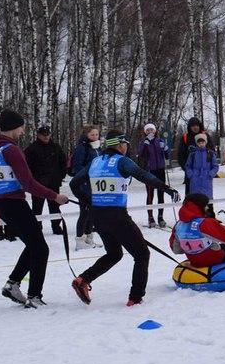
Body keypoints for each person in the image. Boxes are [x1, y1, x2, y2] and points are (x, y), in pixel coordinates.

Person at [70, 131, 180, 307]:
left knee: (114, 254)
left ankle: (83, 279)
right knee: (142, 254)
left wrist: (87, 201)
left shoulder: (95, 161)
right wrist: (166, 188)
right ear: (120, 144)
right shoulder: (122, 161)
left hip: (98, 216)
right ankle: (135, 298)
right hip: (117, 216)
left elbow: (73, 183)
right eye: (126, 144)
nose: (127, 147)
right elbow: (143, 175)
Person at [0, 109, 72, 307]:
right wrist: (55, 196)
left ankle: (12, 284)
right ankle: (34, 296)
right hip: (15, 203)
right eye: (21, 127)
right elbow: (28, 183)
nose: (23, 131)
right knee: (41, 249)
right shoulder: (11, 149)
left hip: (4, 205)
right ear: (14, 127)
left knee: (34, 245)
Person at [25, 125, 66, 235]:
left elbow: (63, 161)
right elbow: (27, 166)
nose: (46, 137)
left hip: (53, 182)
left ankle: (56, 227)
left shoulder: (56, 147)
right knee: (37, 207)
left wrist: (61, 175)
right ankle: (37, 228)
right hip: (38, 183)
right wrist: (32, 180)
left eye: (48, 135)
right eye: (44, 135)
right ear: (38, 135)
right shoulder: (31, 149)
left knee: (55, 206)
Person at [68, 124, 101, 246]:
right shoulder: (82, 147)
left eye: (96, 134)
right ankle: (79, 240)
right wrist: (87, 176)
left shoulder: (98, 147)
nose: (94, 136)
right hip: (84, 184)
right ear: (86, 135)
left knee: (92, 212)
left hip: (95, 185)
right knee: (84, 212)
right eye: (92, 134)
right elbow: (77, 166)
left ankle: (89, 237)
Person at [137, 123, 171, 229]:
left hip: (160, 169)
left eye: (152, 130)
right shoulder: (143, 142)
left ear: (155, 131)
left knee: (161, 194)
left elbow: (167, 155)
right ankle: (150, 217)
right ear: (145, 132)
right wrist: (145, 145)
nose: (150, 132)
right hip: (149, 170)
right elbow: (140, 154)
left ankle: (160, 217)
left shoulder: (160, 141)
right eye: (148, 130)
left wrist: (165, 148)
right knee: (150, 194)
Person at [184, 133, 219, 198]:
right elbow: (188, 166)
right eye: (199, 143)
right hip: (195, 180)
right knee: (196, 199)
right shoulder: (193, 154)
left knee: (207, 199)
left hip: (206, 179)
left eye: (202, 142)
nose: (201, 144)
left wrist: (210, 174)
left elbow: (215, 166)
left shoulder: (210, 153)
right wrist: (191, 175)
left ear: (205, 142)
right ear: (197, 143)